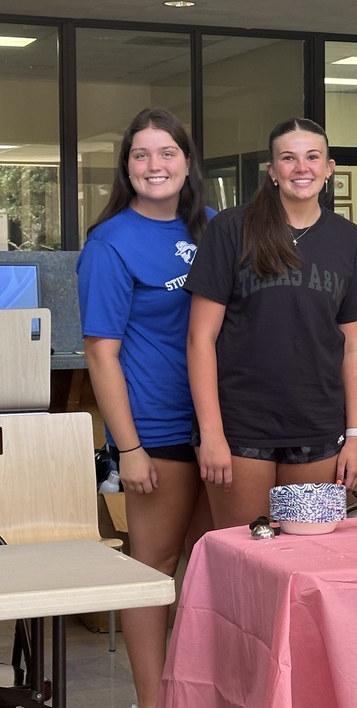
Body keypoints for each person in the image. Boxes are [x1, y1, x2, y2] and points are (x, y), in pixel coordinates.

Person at [77, 107, 212, 708]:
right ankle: (153, 701)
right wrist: (126, 448)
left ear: (187, 163)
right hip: (155, 429)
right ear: (126, 167)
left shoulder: (216, 227)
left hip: (225, 429)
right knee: (152, 568)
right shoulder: (110, 243)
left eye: (166, 153)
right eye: (140, 154)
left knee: (215, 570)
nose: (154, 165)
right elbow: (101, 355)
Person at [186, 117, 357, 529]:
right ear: (272, 171)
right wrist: (211, 433)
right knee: (245, 556)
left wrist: (355, 435)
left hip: (318, 429)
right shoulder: (231, 229)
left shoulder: (348, 238)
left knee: (306, 558)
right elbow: (201, 338)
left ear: (329, 168)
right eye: (288, 158)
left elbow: (353, 345)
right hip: (241, 429)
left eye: (312, 157)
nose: (301, 167)